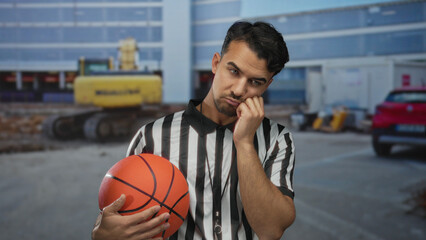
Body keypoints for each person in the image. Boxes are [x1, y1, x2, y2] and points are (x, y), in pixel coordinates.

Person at [92, 21, 296, 240]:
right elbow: (120, 216)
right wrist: (104, 235)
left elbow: (271, 230)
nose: (239, 90)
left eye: (255, 82)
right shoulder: (152, 136)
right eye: (234, 71)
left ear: (268, 85)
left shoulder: (277, 138)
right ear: (216, 63)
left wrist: (245, 143)